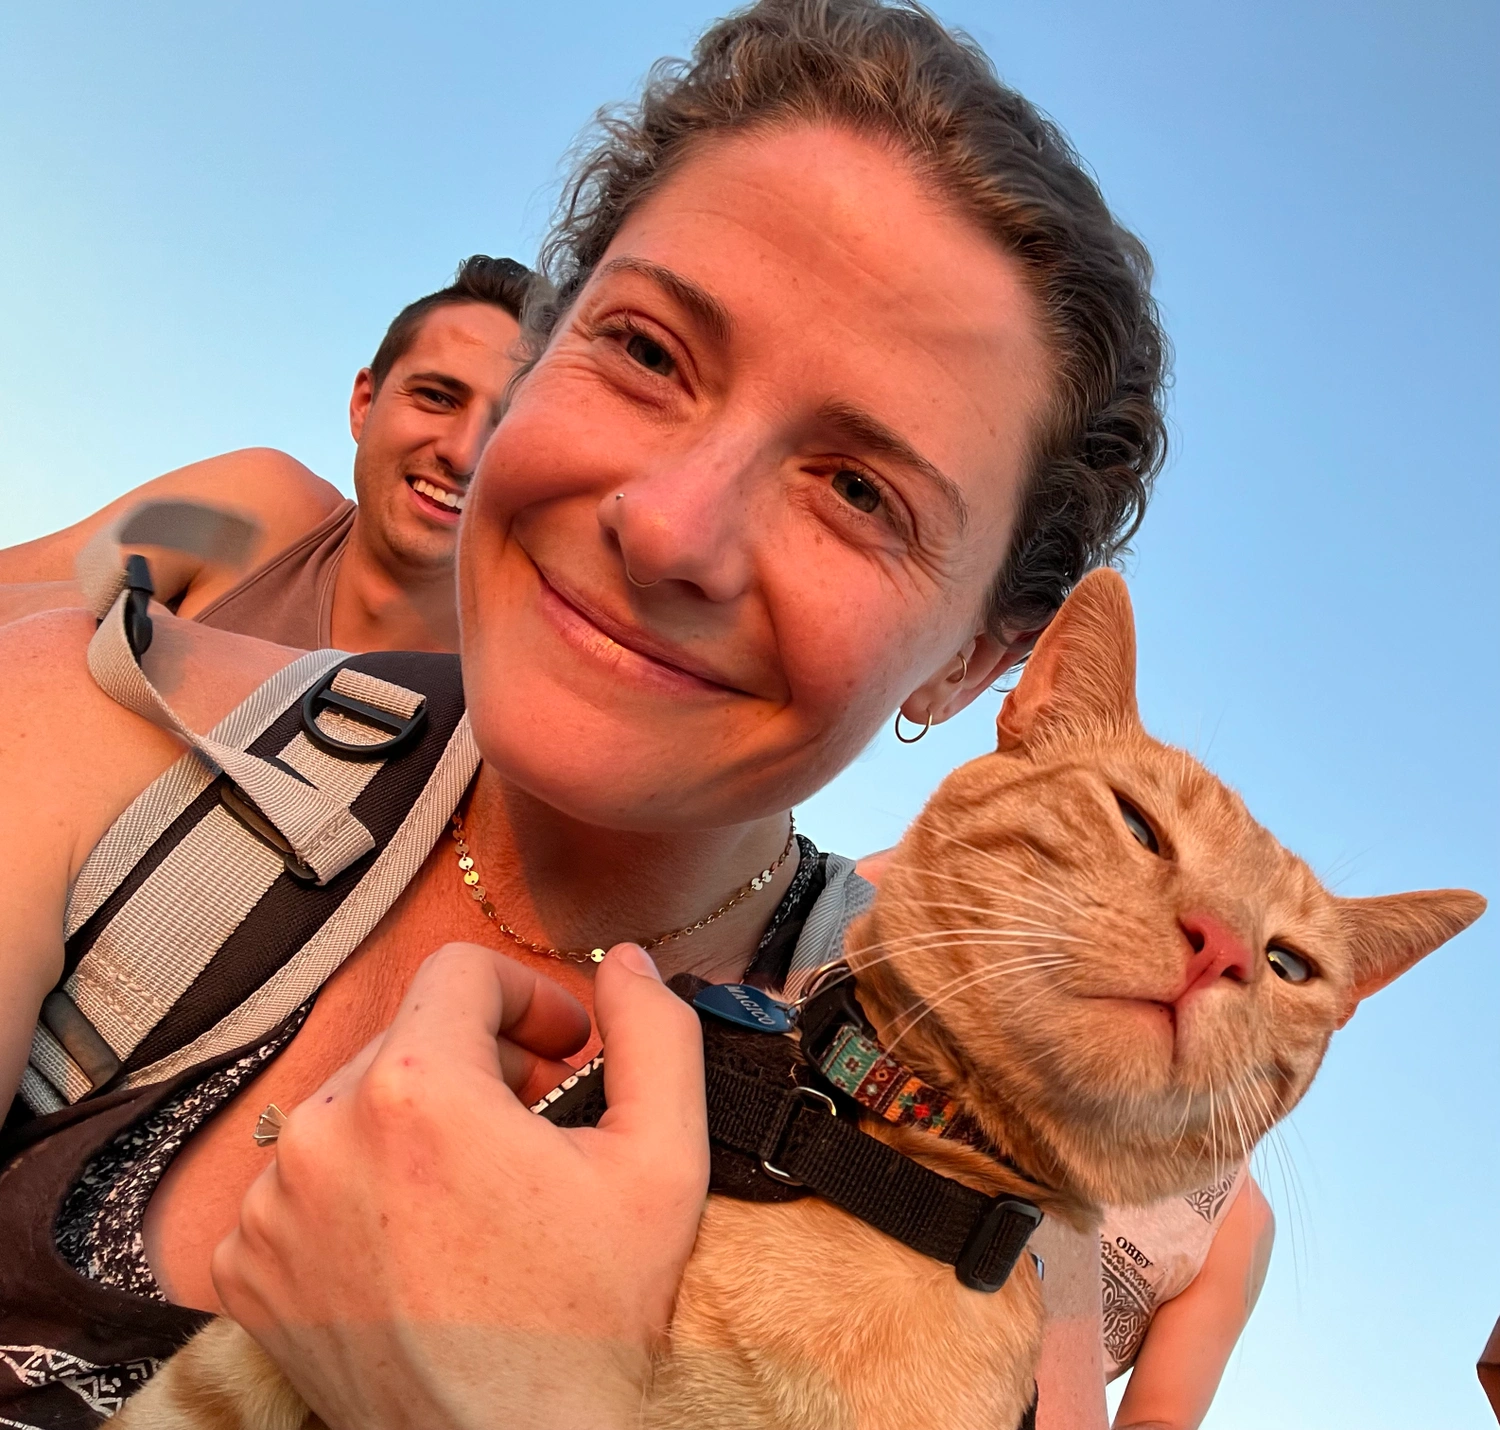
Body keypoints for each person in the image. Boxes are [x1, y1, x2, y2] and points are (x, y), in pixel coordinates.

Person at [0, 2, 1185, 1426]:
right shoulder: (82, 725)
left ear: (969, 664)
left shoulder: (983, 1184)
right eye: (647, 351)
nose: (673, 528)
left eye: (860, 491)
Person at [0, 254, 531, 652]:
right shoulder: (256, 513)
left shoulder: (506, 690)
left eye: (508, 426)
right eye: (437, 397)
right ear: (364, 405)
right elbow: (21, 588)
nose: (464, 454)